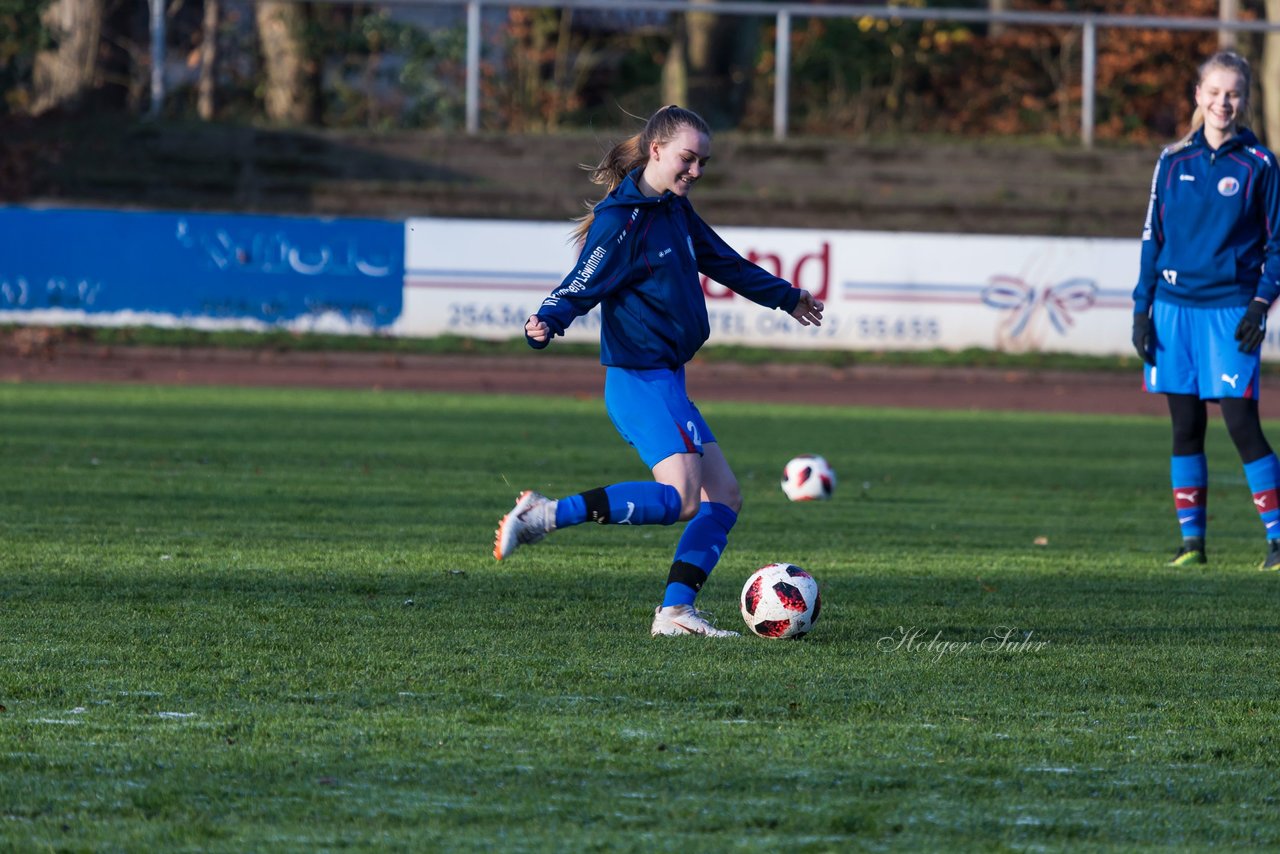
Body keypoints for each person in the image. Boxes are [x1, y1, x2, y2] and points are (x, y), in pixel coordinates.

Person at [492, 105, 825, 636]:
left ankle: (675, 611)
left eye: (702, 163)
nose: (695, 171)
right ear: (656, 150)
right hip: (638, 380)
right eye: (687, 159)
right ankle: (544, 515)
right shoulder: (620, 220)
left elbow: (724, 261)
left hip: (668, 379)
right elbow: (584, 280)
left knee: (725, 499)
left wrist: (786, 298)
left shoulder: (673, 209)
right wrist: (547, 319)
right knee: (683, 500)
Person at [1131, 50, 1280, 570]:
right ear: (1198, 96)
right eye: (1214, 92)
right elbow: (1153, 237)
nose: (1223, 102)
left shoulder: (1259, 164)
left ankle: (1278, 541)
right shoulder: (1172, 161)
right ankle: (1192, 546)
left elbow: (1277, 245)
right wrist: (1141, 309)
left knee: (1242, 425)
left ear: (1245, 98)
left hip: (1229, 312)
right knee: (1185, 427)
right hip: (1173, 311)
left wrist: (1260, 304)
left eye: (1233, 93)